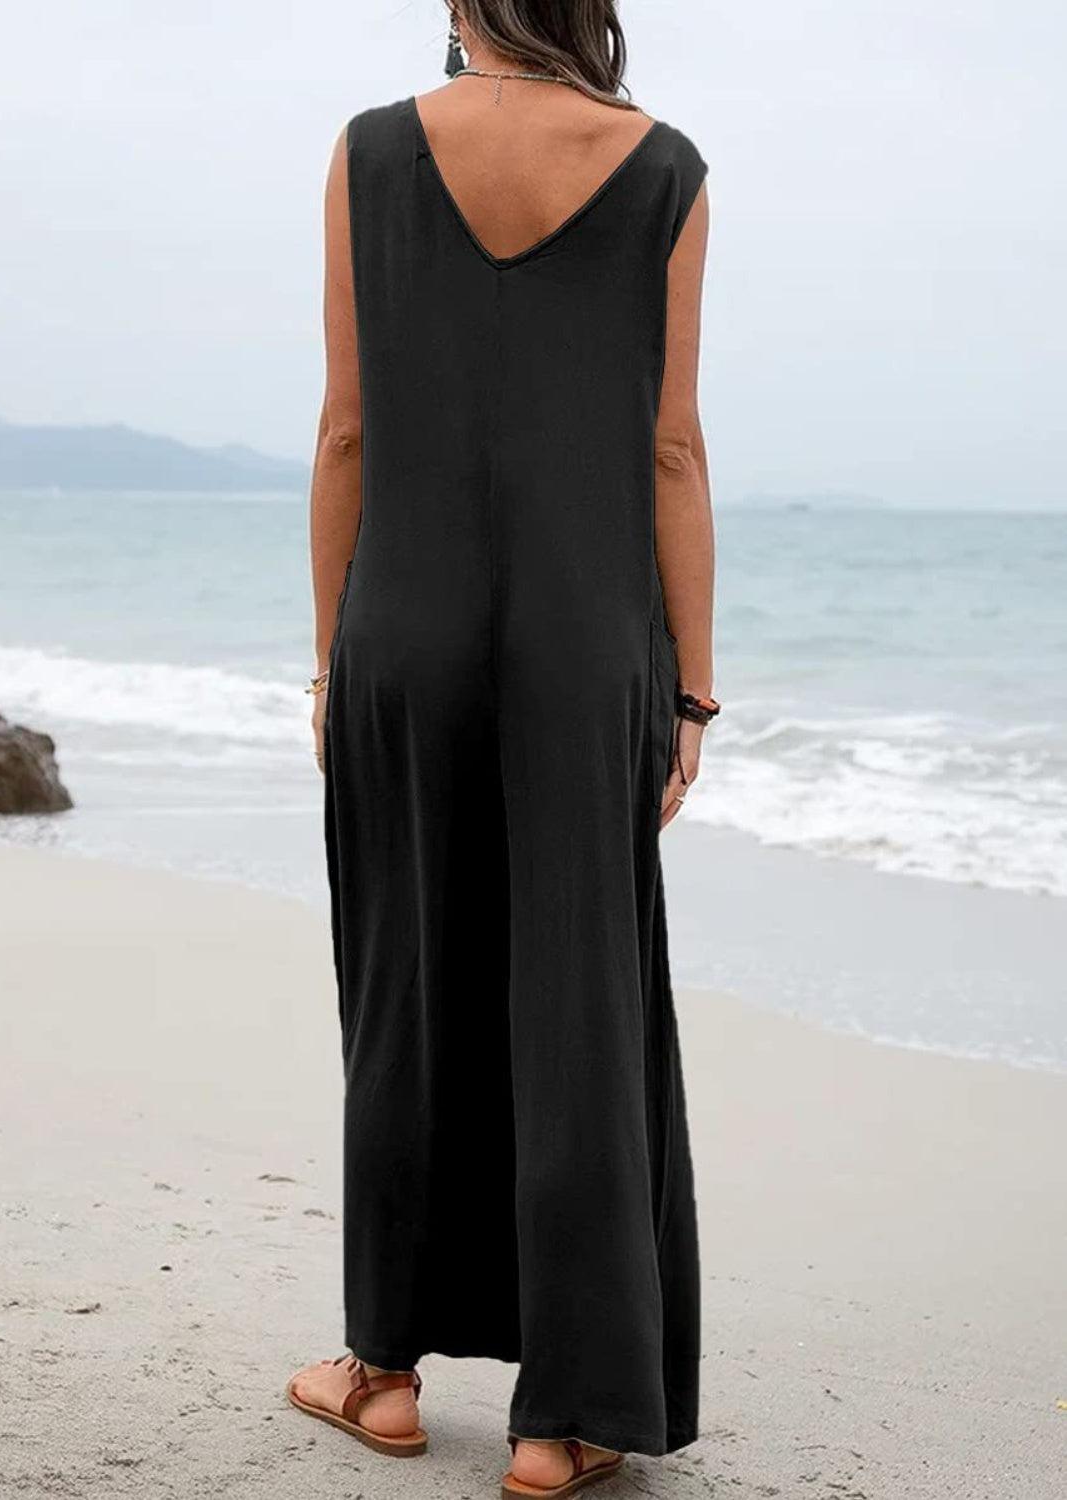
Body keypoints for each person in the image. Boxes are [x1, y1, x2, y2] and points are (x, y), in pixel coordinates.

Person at [289, 2, 716, 1493]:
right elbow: (669, 444)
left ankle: (386, 1375)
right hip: (590, 643)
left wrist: (337, 658)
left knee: (406, 985)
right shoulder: (662, 166)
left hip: (400, 626)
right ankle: (561, 1425)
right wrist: (692, 691)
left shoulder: (370, 150)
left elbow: (348, 429)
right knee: (580, 1006)